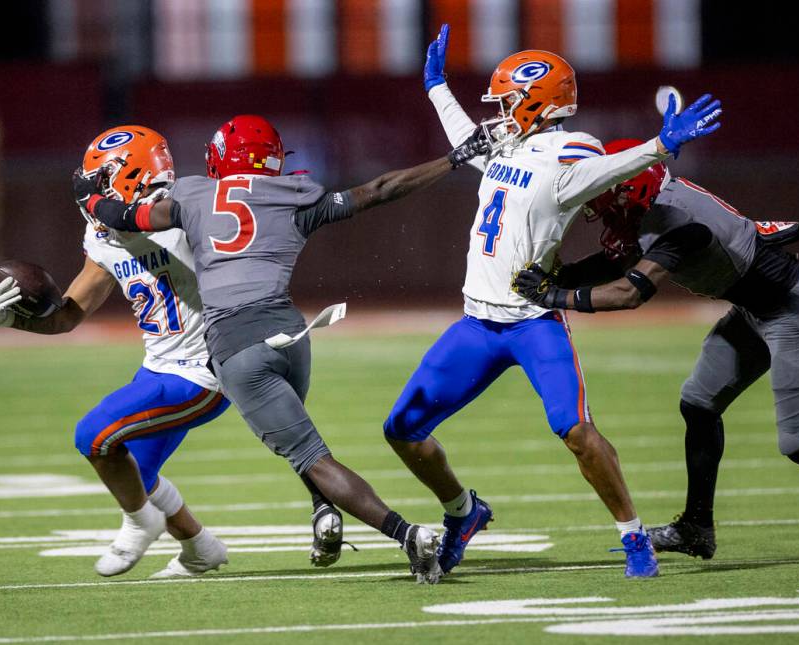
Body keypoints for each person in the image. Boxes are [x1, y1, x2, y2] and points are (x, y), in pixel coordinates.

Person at [70, 114, 490, 584]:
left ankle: (406, 533)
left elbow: (130, 217)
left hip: (236, 345)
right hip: (294, 333)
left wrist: (93, 198)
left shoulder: (190, 194)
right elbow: (380, 189)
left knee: (311, 456)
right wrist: (454, 158)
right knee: (303, 447)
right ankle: (319, 511)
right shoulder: (296, 193)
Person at [382, 25, 722, 578]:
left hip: (532, 322)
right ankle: (462, 513)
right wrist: (436, 86)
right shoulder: (509, 145)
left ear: (538, 103)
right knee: (402, 428)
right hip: (476, 323)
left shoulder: (567, 157)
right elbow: (467, 139)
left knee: (576, 431)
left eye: (508, 101)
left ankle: (634, 536)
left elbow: (604, 169)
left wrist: (659, 147)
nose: (498, 112)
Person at [514, 138, 799, 559]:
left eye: (604, 199)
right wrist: (556, 279)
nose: (595, 209)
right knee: (699, 403)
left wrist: (555, 297)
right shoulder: (656, 209)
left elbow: (629, 292)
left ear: (629, 190)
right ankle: (696, 528)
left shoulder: (678, 223)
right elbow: (618, 261)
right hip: (755, 309)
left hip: (795, 309)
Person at [0, 125, 233, 579]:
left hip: (206, 370)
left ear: (131, 173)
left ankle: (140, 522)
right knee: (136, 469)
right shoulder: (103, 234)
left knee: (94, 436)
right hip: (159, 364)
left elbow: (157, 220)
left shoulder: (186, 208)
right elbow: (67, 315)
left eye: (101, 178)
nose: (91, 189)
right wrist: (13, 319)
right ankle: (199, 546)